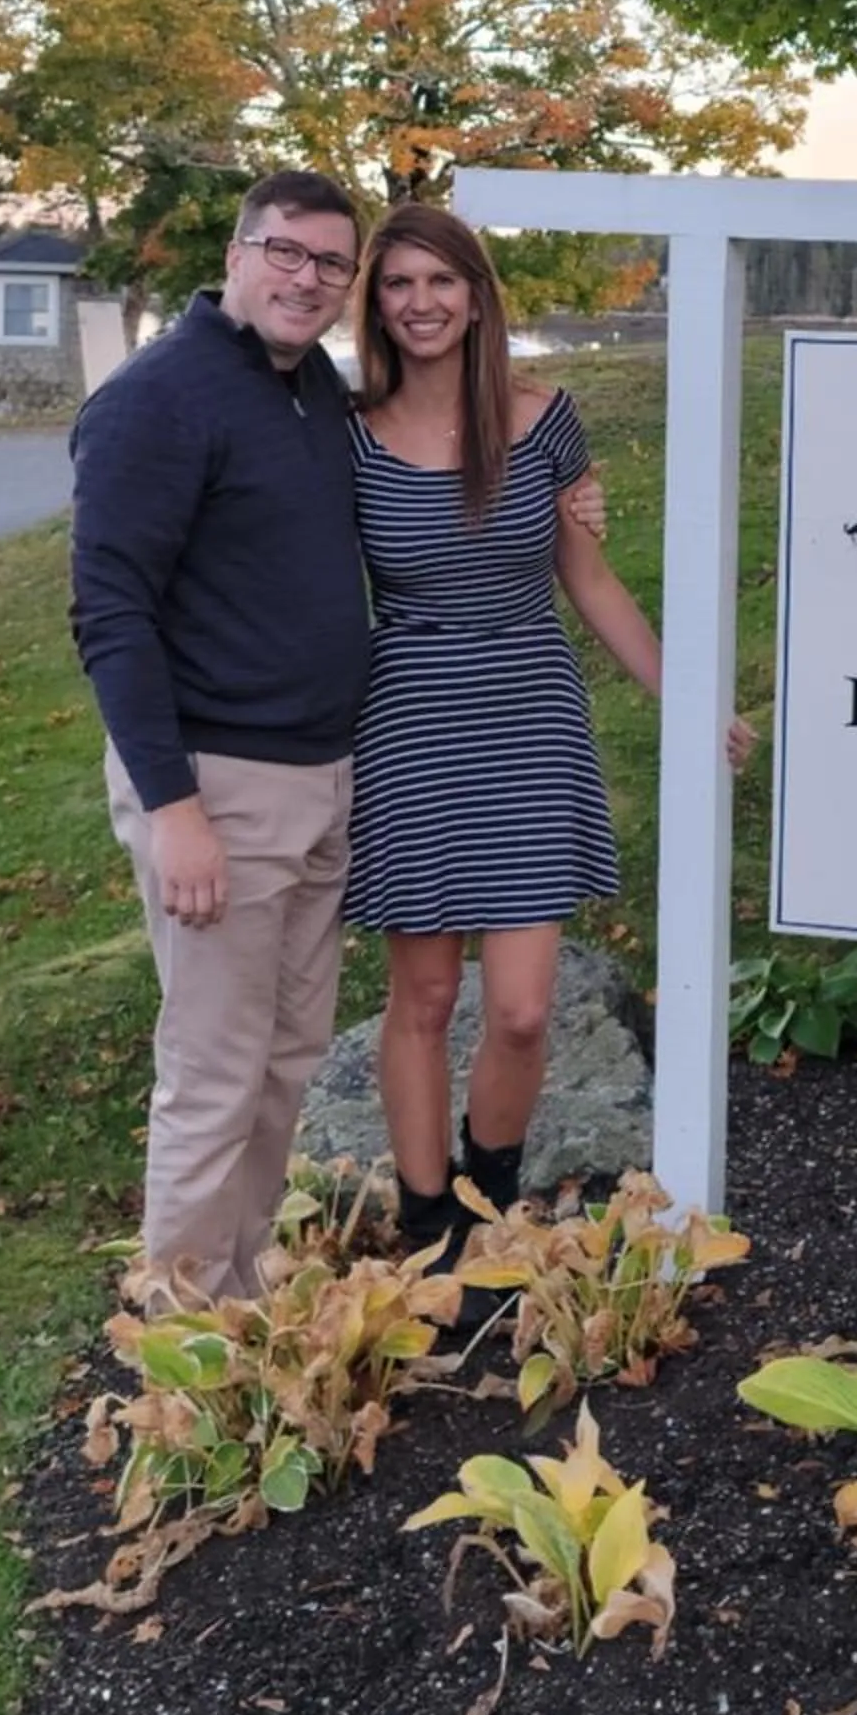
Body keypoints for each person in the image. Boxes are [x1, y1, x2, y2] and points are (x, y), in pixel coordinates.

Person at [343, 201, 753, 1250]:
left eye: (442, 282)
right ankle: (430, 1224)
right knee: (427, 994)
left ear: (478, 297)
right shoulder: (344, 434)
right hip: (409, 717)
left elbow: (590, 578)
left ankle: (490, 1194)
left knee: (522, 1006)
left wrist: (688, 696)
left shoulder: (544, 420)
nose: (421, 303)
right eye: (399, 285)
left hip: (529, 708)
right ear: (376, 306)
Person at [69, 168, 370, 1304]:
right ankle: (186, 1351)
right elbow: (110, 614)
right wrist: (173, 810)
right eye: (285, 251)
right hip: (218, 788)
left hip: (320, 776)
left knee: (286, 1063)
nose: (307, 278)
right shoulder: (159, 399)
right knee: (212, 1074)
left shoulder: (309, 390)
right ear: (238, 253)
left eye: (330, 264)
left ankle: (238, 1298)